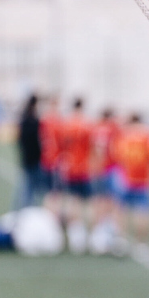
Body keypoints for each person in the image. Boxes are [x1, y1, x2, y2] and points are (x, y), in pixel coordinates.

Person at [113, 113, 149, 251]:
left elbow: (116, 155)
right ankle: (142, 243)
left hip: (126, 178)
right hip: (144, 178)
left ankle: (121, 240)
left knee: (121, 210)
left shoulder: (123, 134)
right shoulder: (148, 135)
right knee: (143, 211)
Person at [58, 98, 95, 253]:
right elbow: (92, 147)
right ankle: (87, 234)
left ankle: (75, 235)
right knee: (87, 202)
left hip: (71, 167)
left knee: (73, 201)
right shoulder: (87, 125)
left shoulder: (66, 124)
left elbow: (62, 146)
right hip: (84, 167)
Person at [89, 108, 123, 253]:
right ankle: (114, 231)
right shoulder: (114, 128)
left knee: (98, 200)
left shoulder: (95, 128)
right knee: (114, 201)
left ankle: (97, 231)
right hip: (111, 168)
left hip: (97, 169)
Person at [14, 94, 43, 209]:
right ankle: (25, 210)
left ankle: (23, 209)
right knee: (28, 188)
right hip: (33, 157)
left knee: (27, 186)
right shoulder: (32, 121)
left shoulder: (25, 118)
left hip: (27, 156)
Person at [39, 96, 64, 215]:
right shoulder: (56, 121)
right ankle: (52, 214)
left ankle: (49, 212)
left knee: (50, 190)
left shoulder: (45, 120)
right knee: (54, 191)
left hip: (47, 158)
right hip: (53, 159)